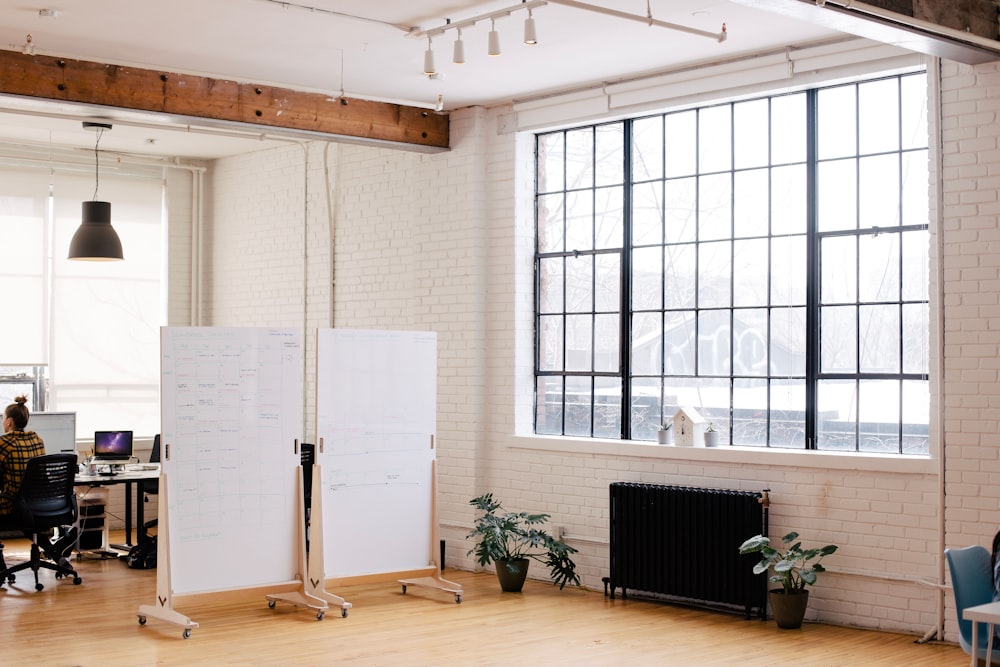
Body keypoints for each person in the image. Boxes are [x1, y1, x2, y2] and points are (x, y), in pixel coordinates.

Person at [0, 396, 76, 561]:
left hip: (14, 506)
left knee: (18, 507)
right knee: (26, 515)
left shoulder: (3, 443)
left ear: (9, 422)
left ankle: (0, 567)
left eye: (3, 418)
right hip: (39, 505)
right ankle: (54, 553)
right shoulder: (37, 440)